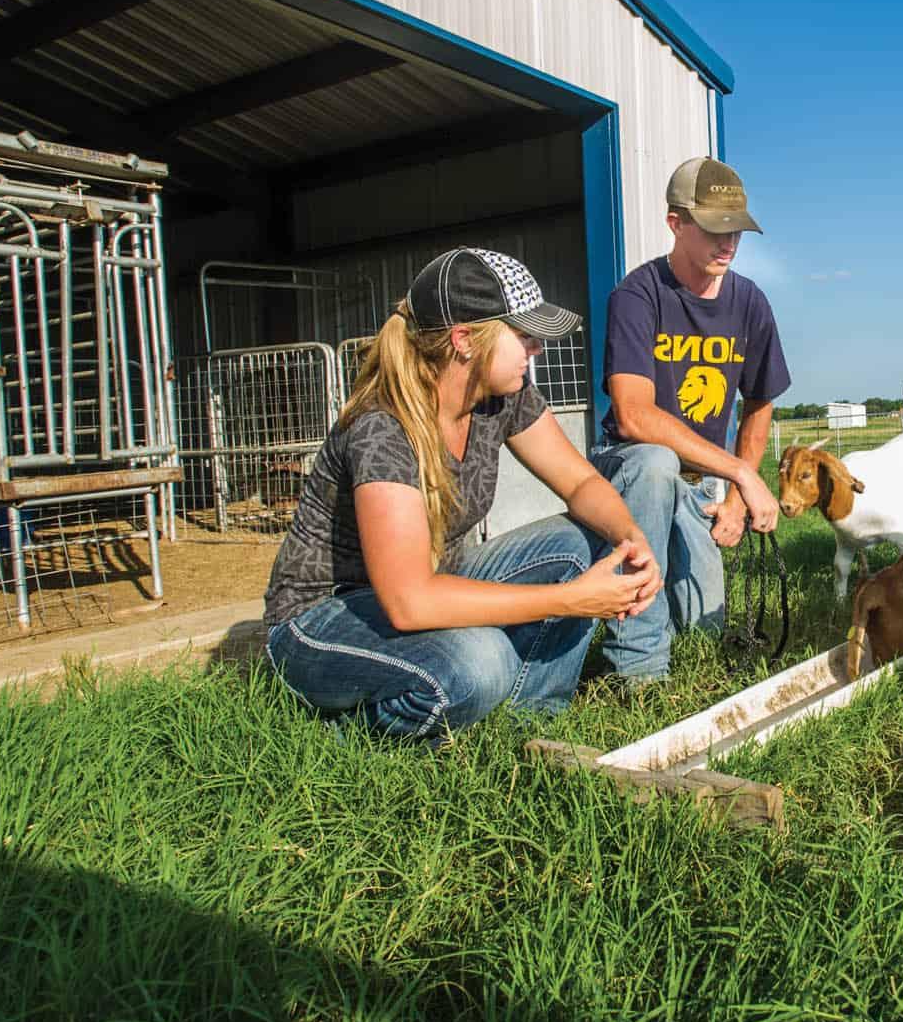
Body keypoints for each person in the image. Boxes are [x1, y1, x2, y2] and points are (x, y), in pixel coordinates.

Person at [263, 247, 663, 741]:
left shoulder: (503, 397)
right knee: (481, 662)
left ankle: (524, 730)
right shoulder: (383, 429)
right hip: (325, 617)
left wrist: (631, 536)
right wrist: (572, 600)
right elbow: (409, 603)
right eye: (524, 336)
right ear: (465, 340)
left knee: (586, 540)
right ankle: (336, 740)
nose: (537, 349)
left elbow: (581, 483)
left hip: (428, 583)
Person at [590, 156, 791, 683]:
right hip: (633, 475)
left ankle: (687, 658)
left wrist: (731, 498)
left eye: (737, 232)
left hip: (702, 487)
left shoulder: (749, 302)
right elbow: (633, 415)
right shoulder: (638, 296)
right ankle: (637, 673)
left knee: (706, 629)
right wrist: (745, 475)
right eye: (714, 229)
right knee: (656, 462)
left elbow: (760, 401)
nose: (729, 244)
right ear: (676, 224)